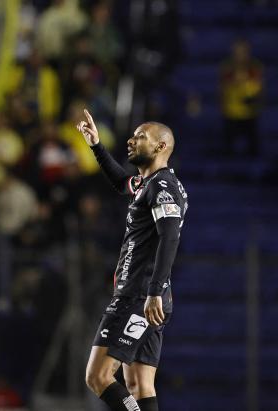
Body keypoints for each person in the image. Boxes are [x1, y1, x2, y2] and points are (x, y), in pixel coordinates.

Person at [77, 109, 188, 411]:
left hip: (139, 294)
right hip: (149, 294)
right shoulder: (146, 184)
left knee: (97, 376)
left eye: (141, 137)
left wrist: (154, 290)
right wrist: (97, 146)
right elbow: (121, 182)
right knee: (139, 385)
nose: (131, 140)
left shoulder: (162, 187)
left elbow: (170, 236)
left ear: (160, 147)